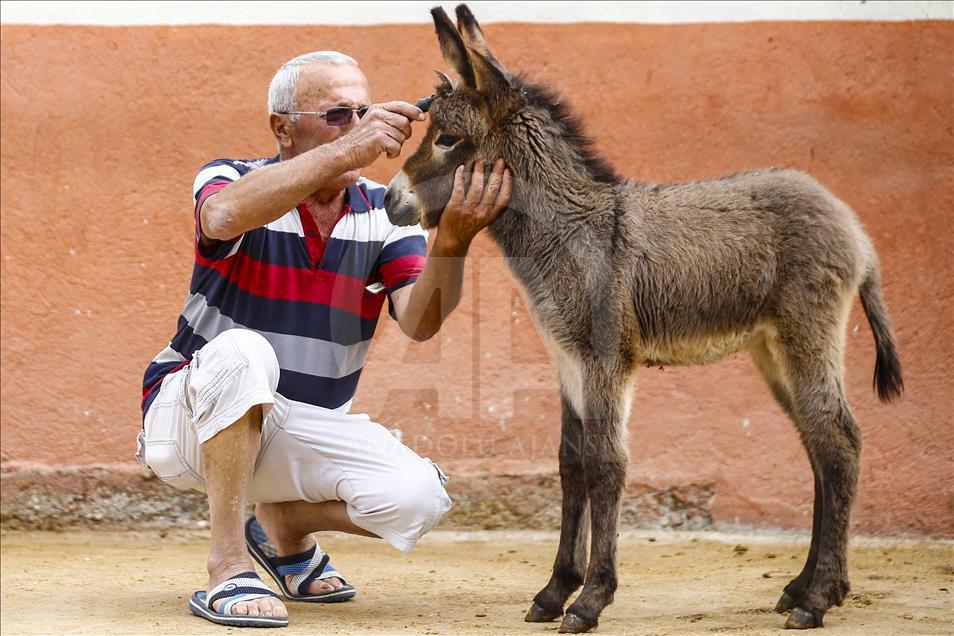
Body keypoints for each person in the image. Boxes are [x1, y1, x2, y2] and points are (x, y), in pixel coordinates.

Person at [137, 50, 512, 628]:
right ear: (282, 127)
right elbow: (223, 218)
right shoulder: (231, 178)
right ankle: (228, 563)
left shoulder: (387, 214)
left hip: (296, 431)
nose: (359, 126)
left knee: (418, 497)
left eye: (364, 111)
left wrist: (453, 242)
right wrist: (350, 148)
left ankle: (283, 527)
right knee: (242, 350)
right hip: (188, 421)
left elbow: (419, 321)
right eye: (339, 114)